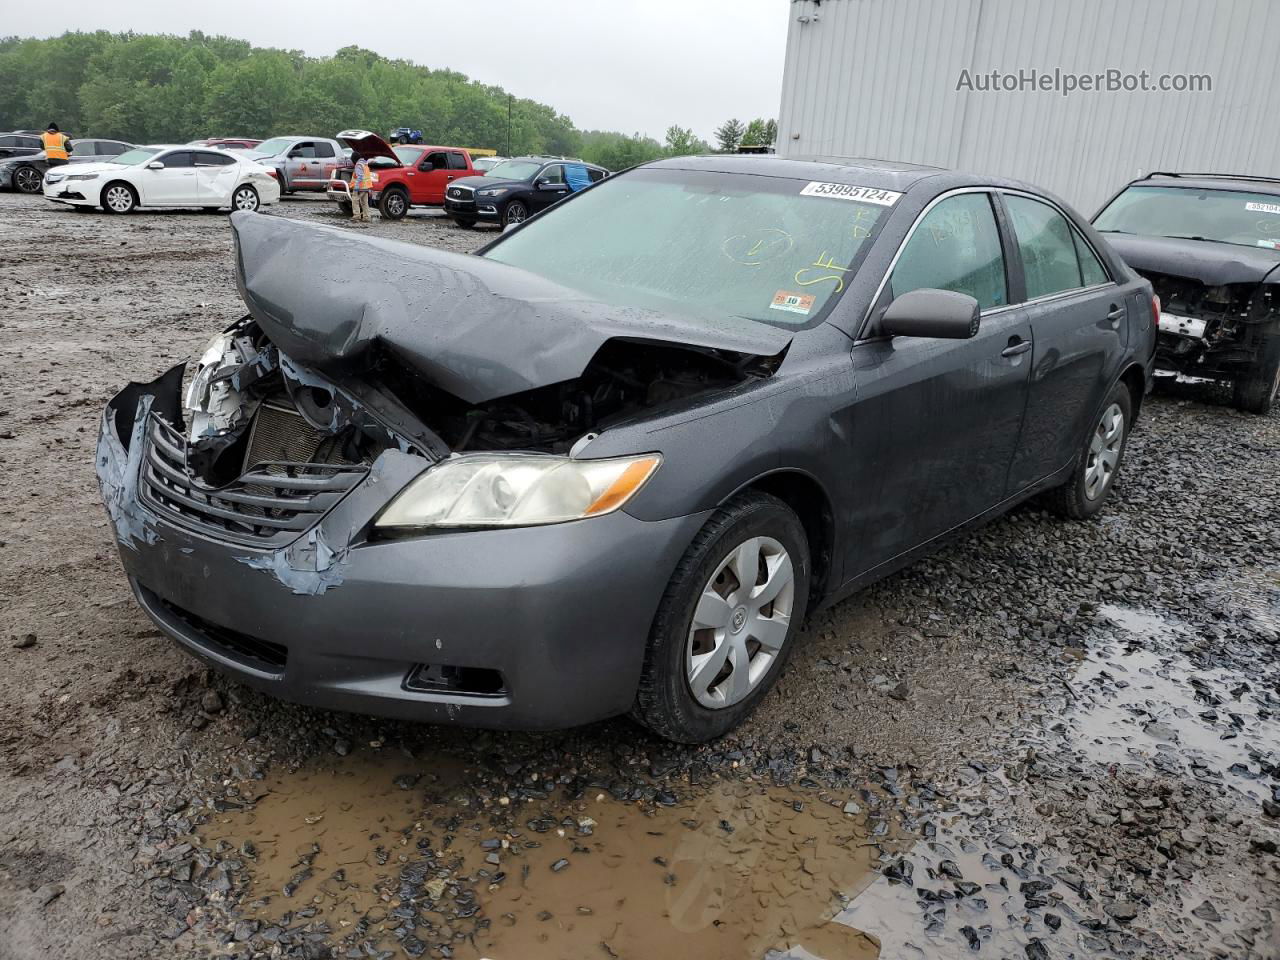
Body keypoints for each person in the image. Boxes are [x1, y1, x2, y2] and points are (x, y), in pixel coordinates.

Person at [349, 155, 373, 224]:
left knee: (355, 201)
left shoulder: (358, 165)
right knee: (364, 203)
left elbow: (360, 177)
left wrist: (356, 187)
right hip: (366, 187)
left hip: (360, 187)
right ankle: (366, 217)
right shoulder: (365, 164)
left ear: (354, 159)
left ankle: (356, 216)